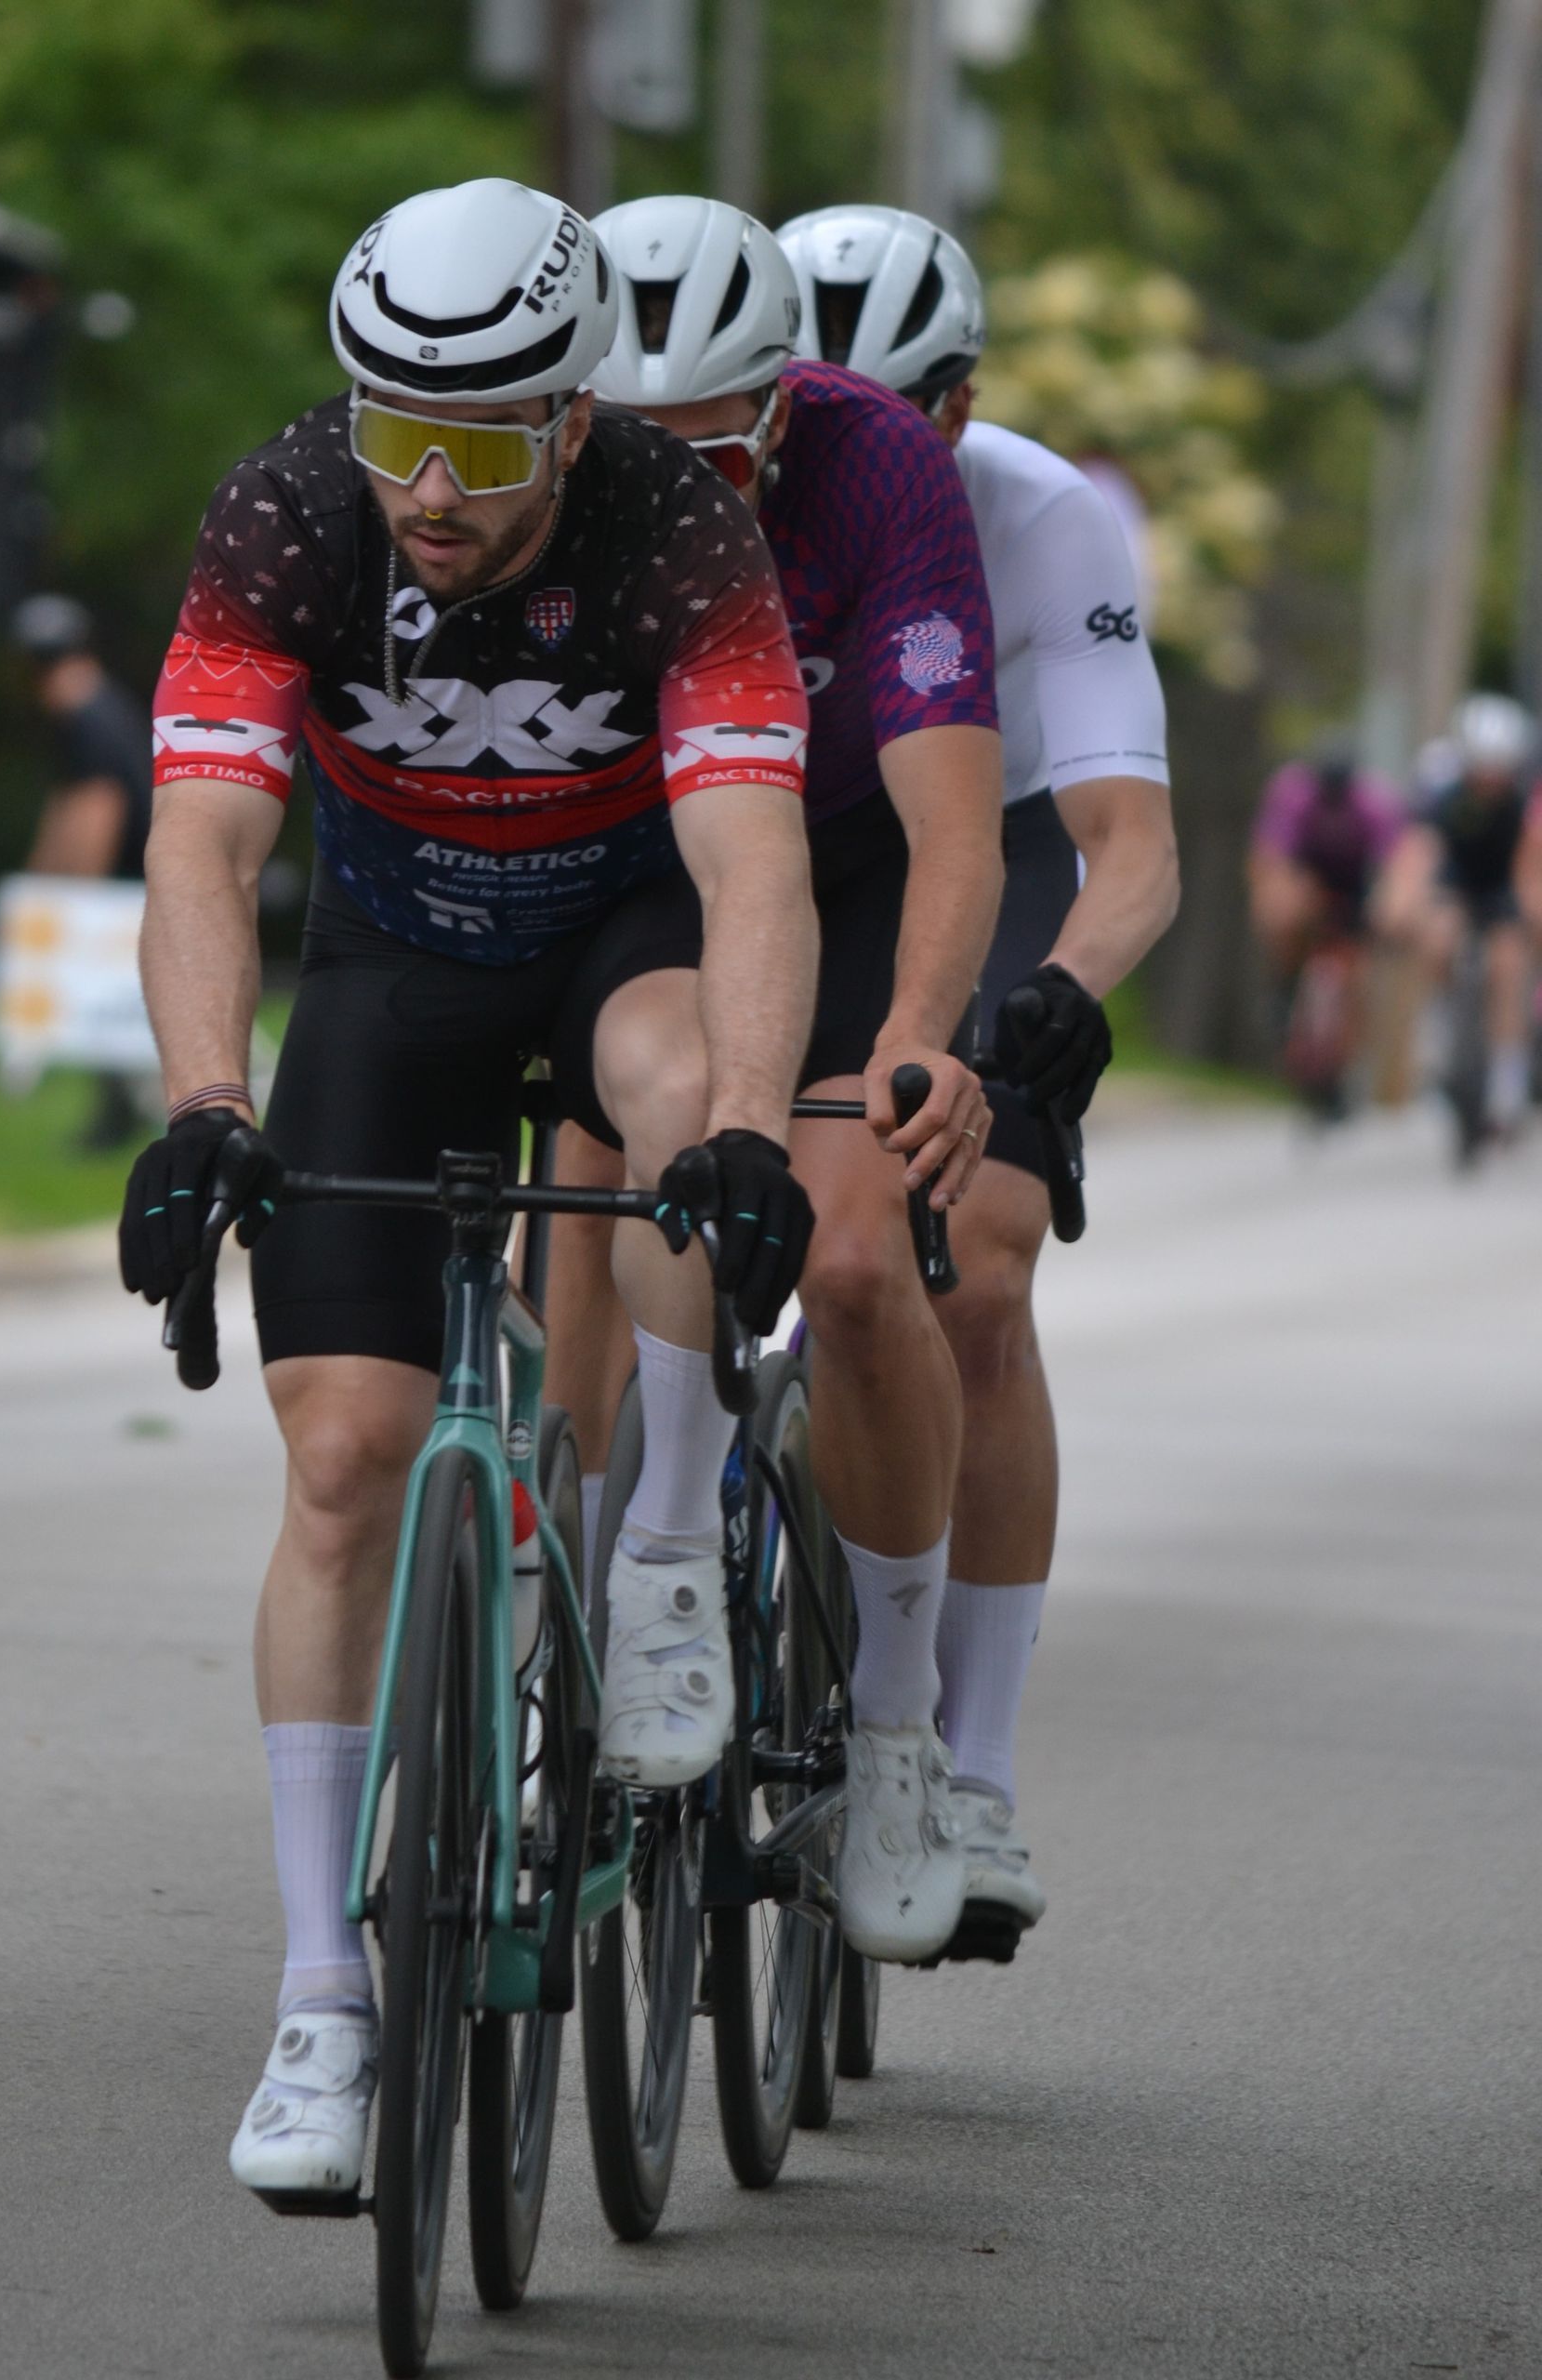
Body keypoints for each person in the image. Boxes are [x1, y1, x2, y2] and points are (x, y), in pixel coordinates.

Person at [115, 178, 822, 2209]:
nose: (427, 486)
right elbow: (203, 833)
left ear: (575, 423)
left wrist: (756, 1132)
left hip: (619, 934)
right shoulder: (288, 512)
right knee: (343, 1455)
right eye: (390, 430)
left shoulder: (684, 535)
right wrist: (199, 1102)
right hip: (397, 959)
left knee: (681, 1083)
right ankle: (325, 2001)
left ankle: (672, 1555)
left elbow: (754, 857)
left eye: (482, 444)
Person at [549, 194, 1005, 1969]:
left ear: (782, 410)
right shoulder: (527, 468)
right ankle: (587, 1585)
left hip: (852, 849)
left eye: (712, 453)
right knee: (604, 1165)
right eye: (634, 453)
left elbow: (954, 817)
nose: (674, 487)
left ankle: (895, 1725)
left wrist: (916, 1032)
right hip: (643, 862)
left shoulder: (881, 466)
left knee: (857, 1258)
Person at [776, 203, 1180, 1958]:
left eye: (907, 413)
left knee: (982, 1275)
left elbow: (1130, 845)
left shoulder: (1045, 515)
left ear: (961, 401)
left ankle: (977, 1772)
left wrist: (1061, 1001)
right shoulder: (710, 484)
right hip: (776, 838)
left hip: (980, 849)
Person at [12, 593, 158, 1147]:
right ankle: (116, 1114)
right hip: (135, 875)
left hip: (130, 880)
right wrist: (37, 880)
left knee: (108, 1000)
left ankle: (122, 1113)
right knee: (111, 1004)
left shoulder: (87, 716)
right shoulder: (100, 706)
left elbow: (98, 808)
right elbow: (68, 806)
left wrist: (75, 896)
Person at [1374, 692, 1540, 1143]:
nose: (1488, 779)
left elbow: (1532, 860)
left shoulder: (1528, 794)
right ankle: (1439, 1033)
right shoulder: (1439, 784)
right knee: (1438, 934)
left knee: (1509, 964)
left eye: (1498, 769)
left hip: (1506, 881)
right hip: (1458, 879)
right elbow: (1418, 851)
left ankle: (1508, 1082)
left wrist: (1530, 913)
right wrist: (1402, 903)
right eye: (1480, 768)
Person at [1248, 734, 1405, 1113]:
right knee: (1281, 907)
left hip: (1356, 892)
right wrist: (1278, 903)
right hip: (1311, 884)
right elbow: (1270, 857)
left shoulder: (1375, 803)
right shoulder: (1293, 794)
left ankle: (1347, 1062)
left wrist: (1389, 908)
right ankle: (1284, 987)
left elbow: (1397, 865)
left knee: (1358, 975)